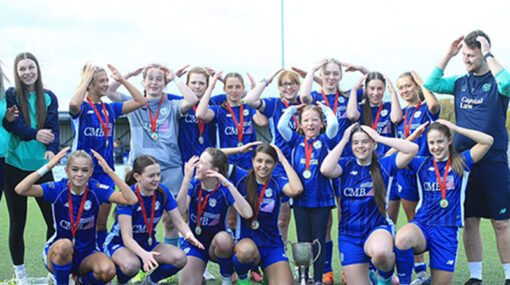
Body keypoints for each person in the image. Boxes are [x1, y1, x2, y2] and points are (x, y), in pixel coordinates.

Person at [424, 30, 510, 285]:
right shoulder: (460, 82)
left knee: (501, 222)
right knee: (470, 221)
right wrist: (449, 54)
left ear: (484, 54)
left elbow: (507, 84)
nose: (467, 60)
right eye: (464, 55)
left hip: (493, 162)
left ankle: (508, 276)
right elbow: (431, 83)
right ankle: (475, 277)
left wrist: (489, 53)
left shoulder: (496, 81)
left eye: (471, 55)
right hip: (463, 163)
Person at [14, 147, 138, 285]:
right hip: (59, 252)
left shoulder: (96, 190)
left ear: (91, 172)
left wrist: (109, 171)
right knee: (64, 246)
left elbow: (131, 199)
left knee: (108, 271)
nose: (80, 174)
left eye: (85, 170)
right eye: (75, 169)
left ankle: (80, 281)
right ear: (67, 171)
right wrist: (48, 166)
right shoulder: (57, 189)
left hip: (86, 254)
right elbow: (20, 189)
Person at [395, 120, 493, 285]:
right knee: (402, 238)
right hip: (423, 224)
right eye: (431, 143)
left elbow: (487, 141)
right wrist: (412, 137)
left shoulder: (461, 162)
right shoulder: (421, 163)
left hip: (447, 231)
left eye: (440, 141)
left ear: (449, 140)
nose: (436, 147)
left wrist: (454, 128)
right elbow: (390, 155)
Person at [320, 124, 418, 285]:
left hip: (377, 229)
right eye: (355, 142)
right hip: (349, 236)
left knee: (381, 253)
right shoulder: (346, 165)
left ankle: (385, 278)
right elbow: (325, 169)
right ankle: (372, 275)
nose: (360, 146)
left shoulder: (384, 164)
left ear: (373, 145)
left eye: (365, 142)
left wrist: (379, 138)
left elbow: (412, 149)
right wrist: (344, 140)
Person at [69, 63, 146, 249]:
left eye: (106, 80)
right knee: (82, 222)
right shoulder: (81, 108)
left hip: (105, 173)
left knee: (101, 223)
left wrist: (122, 79)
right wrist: (86, 79)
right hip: (83, 173)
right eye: (101, 81)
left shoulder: (110, 109)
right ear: (90, 84)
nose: (106, 84)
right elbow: (72, 104)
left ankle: (102, 256)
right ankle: (79, 263)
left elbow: (141, 101)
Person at [2, 52, 60, 283]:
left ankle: (52, 270)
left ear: (38, 69)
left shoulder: (49, 97)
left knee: (53, 222)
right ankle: (20, 273)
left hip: (43, 169)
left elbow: (53, 127)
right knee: (18, 222)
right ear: (17, 73)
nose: (27, 72)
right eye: (22, 69)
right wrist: (35, 134)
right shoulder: (11, 95)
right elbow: (13, 125)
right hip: (14, 167)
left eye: (31, 67)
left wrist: (52, 149)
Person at [104, 154, 203, 284]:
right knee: (131, 265)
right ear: (137, 177)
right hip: (120, 244)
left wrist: (189, 234)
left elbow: (178, 220)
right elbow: (127, 237)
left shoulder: (162, 192)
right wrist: (143, 255)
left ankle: (151, 280)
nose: (156, 179)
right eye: (151, 176)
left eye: (158, 174)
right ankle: (121, 281)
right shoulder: (128, 196)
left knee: (180, 258)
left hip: (148, 243)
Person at [277, 103, 338, 285]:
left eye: (314, 120)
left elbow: (334, 124)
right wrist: (293, 110)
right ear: (300, 124)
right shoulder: (295, 141)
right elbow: (281, 126)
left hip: (321, 199)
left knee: (318, 239)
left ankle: (318, 278)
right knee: (303, 241)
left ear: (321, 123)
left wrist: (326, 109)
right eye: (306, 120)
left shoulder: (327, 140)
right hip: (300, 199)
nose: (310, 124)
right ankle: (304, 276)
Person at [390, 71, 440, 284]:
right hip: (405, 175)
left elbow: (434, 105)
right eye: (401, 88)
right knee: (413, 221)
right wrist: (392, 92)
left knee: (433, 221)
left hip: (426, 175)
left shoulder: (425, 110)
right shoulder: (401, 114)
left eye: (408, 86)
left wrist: (421, 81)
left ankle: (437, 268)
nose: (404, 91)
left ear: (416, 87)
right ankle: (419, 271)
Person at [176, 147, 253, 285]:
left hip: (217, 245)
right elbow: (179, 213)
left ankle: (226, 278)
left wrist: (229, 184)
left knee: (223, 239)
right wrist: (186, 179)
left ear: (214, 171)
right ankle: (199, 276)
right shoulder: (194, 184)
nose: (197, 166)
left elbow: (247, 213)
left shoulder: (224, 190)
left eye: (202, 163)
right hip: (195, 243)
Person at [230, 144, 303, 285]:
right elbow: (211, 156)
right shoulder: (241, 177)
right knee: (245, 251)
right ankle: (243, 276)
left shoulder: (277, 181)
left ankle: (267, 277)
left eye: (268, 162)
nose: (263, 166)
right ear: (253, 161)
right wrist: (238, 150)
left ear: (274, 164)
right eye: (259, 161)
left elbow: (297, 189)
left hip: (271, 245)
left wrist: (283, 159)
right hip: (248, 244)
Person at [196, 71, 267, 170]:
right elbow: (200, 114)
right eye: (230, 87)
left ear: (243, 89)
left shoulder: (249, 108)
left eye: (238, 87)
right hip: (227, 164)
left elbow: (262, 122)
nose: (234, 90)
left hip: (250, 163)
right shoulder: (219, 110)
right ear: (224, 89)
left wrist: (254, 98)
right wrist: (210, 88)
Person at [346, 71, 402, 157]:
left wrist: (393, 92)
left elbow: (396, 118)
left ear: (385, 89)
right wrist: (354, 90)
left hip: (386, 157)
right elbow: (352, 115)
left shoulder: (389, 106)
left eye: (380, 88)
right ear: (366, 89)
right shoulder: (361, 108)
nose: (376, 93)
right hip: (365, 158)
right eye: (372, 88)